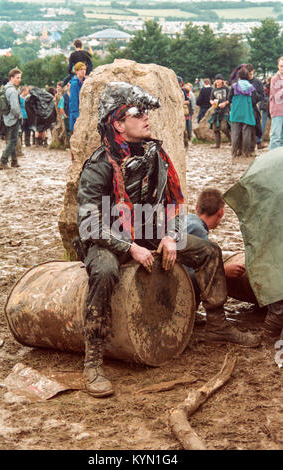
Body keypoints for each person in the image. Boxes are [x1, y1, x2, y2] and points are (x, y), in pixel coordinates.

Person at [76, 81, 260, 398]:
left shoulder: (156, 155)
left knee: (208, 250)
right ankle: (93, 360)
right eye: (137, 113)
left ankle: (217, 324)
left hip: (148, 233)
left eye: (146, 111)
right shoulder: (100, 165)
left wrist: (172, 236)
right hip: (107, 241)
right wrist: (129, 247)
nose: (146, 117)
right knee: (105, 271)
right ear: (117, 123)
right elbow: (89, 222)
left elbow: (174, 202)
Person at [185, 188, 246, 307]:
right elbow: (189, 273)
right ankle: (216, 322)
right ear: (221, 213)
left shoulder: (188, 220)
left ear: (196, 207)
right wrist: (222, 271)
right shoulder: (198, 231)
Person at [228, 67, 257, 158]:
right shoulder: (251, 88)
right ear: (248, 76)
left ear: (239, 76)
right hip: (247, 113)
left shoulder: (234, 86)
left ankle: (234, 153)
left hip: (236, 112)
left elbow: (229, 99)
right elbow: (254, 100)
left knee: (235, 134)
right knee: (247, 133)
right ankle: (246, 153)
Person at [0, 68, 22, 170]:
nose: (20, 80)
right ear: (11, 78)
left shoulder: (6, 88)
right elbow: (15, 108)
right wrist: (19, 117)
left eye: (20, 77)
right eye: (18, 77)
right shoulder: (12, 90)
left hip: (6, 118)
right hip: (13, 119)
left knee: (12, 139)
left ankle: (14, 161)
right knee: (13, 141)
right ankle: (3, 161)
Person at [245, 63, 267, 151]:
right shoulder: (243, 81)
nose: (249, 76)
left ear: (253, 71)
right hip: (245, 106)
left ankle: (259, 141)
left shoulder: (257, 82)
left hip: (255, 105)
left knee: (257, 123)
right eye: (248, 74)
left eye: (250, 74)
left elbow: (263, 95)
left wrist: (257, 100)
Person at [208, 74, 231, 149]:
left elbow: (230, 99)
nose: (217, 81)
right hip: (216, 111)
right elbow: (211, 99)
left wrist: (225, 103)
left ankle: (231, 140)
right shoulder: (213, 89)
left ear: (222, 80)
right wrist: (212, 102)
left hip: (225, 110)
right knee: (215, 129)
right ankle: (217, 144)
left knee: (224, 127)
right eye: (216, 79)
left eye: (219, 79)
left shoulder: (226, 89)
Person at [269, 56, 283, 150]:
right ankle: (272, 160)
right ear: (278, 66)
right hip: (277, 111)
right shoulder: (274, 79)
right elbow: (277, 95)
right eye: (281, 66)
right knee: (276, 137)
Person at [69, 62, 86, 133]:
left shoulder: (85, 82)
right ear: (76, 71)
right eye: (81, 69)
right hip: (77, 115)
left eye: (85, 69)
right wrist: (77, 117)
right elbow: (73, 101)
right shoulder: (74, 84)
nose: (83, 71)